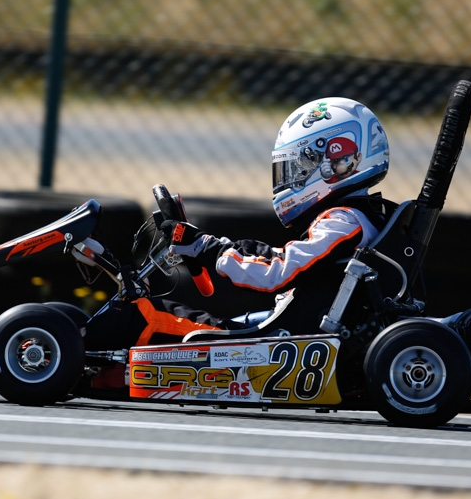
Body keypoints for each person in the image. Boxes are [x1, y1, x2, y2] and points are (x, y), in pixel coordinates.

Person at [83, 97, 391, 351]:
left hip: (284, 341)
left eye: (297, 169)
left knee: (143, 315)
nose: (289, 180)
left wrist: (207, 248)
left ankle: (75, 346)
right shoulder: (359, 219)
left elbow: (278, 270)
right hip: (289, 325)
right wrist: (206, 247)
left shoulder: (344, 222)